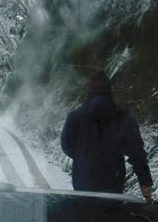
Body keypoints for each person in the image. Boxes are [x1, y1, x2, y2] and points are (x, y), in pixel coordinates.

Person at [61, 71, 153, 202]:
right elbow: (137, 153)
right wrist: (145, 184)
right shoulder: (123, 118)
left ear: (89, 90)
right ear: (110, 91)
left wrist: (84, 157)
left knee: (83, 218)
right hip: (113, 182)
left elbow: (66, 146)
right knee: (111, 218)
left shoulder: (75, 117)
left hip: (83, 180)